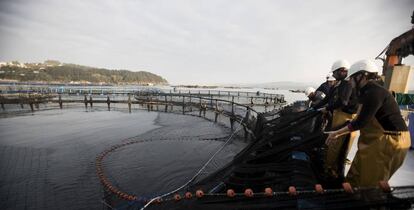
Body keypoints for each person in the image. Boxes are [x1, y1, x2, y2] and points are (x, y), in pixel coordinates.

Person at [326, 59, 411, 187]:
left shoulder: (374, 92)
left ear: (362, 76)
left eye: (352, 78)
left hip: (389, 139)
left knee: (370, 183)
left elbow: (360, 123)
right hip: (374, 139)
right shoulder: (365, 92)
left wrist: (336, 133)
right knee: (355, 176)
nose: (350, 81)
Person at [313, 59, 359, 181]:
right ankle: (332, 168)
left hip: (345, 116)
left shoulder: (346, 83)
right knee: (335, 143)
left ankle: (330, 170)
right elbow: (327, 98)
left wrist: (326, 108)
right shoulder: (339, 84)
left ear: (342, 71)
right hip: (340, 115)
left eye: (334, 72)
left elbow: (342, 102)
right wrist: (314, 108)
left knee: (335, 142)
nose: (333, 75)